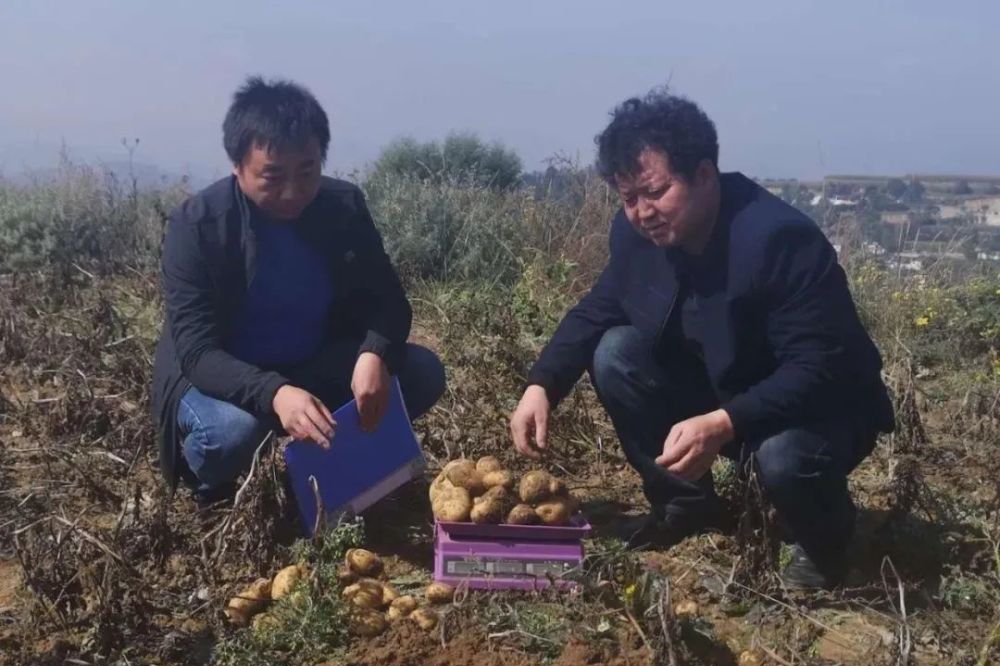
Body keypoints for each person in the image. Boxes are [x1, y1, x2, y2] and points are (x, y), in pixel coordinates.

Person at [509, 88, 894, 589]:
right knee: (616, 353)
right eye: (629, 198)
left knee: (783, 457)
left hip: (816, 409)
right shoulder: (638, 237)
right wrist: (542, 384)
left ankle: (827, 542)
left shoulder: (778, 240)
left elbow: (819, 367)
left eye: (655, 192)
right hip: (721, 392)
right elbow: (598, 309)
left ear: (705, 175)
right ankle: (686, 505)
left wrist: (724, 422)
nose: (642, 211)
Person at [152, 77, 446, 505]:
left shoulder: (342, 207)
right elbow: (198, 353)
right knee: (230, 434)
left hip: (310, 360)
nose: (292, 192)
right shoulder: (197, 227)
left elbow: (388, 301)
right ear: (238, 166)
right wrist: (274, 394)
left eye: (307, 172)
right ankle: (210, 483)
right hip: (225, 375)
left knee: (421, 373)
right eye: (272, 177)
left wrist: (375, 351)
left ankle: (326, 464)